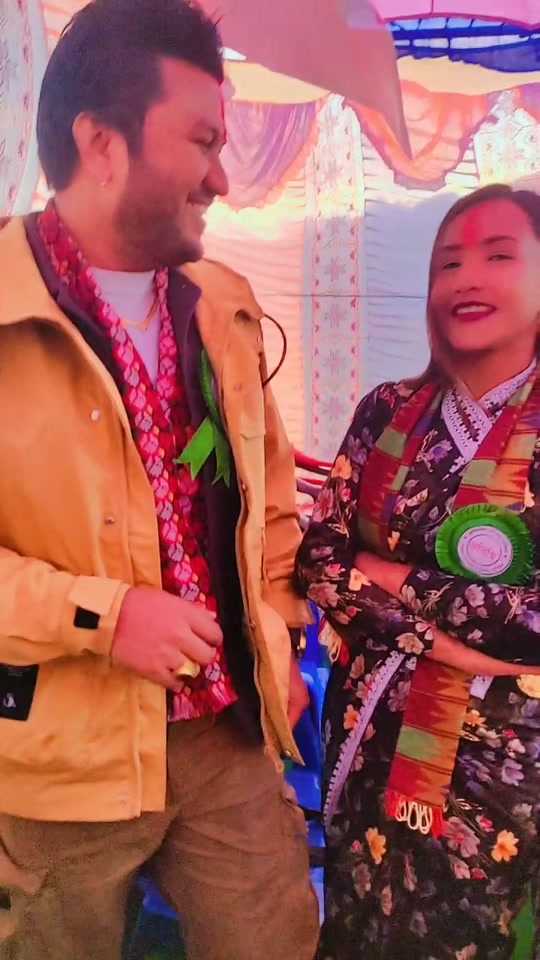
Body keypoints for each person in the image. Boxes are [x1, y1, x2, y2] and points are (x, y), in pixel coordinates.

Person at [0, 1, 320, 958]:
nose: (224, 177)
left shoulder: (222, 304)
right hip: (57, 765)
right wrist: (103, 617)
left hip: (226, 738)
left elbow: (269, 499)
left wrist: (277, 630)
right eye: (203, 142)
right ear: (102, 144)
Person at [295, 183, 540, 960]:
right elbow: (320, 559)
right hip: (370, 735)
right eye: (449, 263)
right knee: (361, 920)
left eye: (498, 256)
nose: (467, 279)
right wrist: (447, 644)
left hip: (503, 761)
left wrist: (396, 579)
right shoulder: (386, 410)